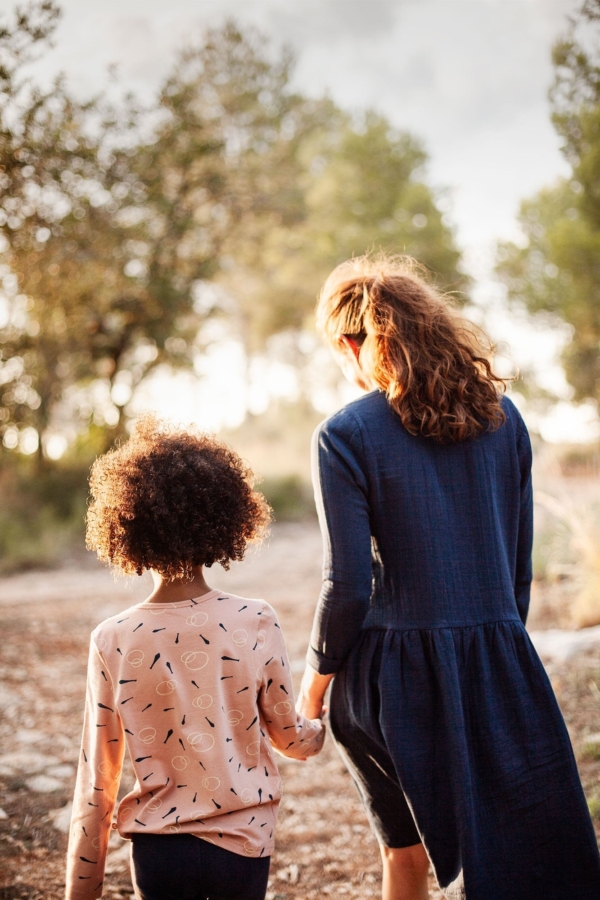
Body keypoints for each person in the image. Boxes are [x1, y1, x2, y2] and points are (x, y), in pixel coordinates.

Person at [296, 254, 600, 900]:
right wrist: (493, 651)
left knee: (403, 854)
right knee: (523, 856)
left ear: (356, 346)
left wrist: (313, 689)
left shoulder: (342, 436)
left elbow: (347, 587)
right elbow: (516, 574)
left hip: (391, 687)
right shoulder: (506, 419)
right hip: (500, 662)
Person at [66, 416, 325, 900]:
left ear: (127, 526)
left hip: (159, 850)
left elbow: (98, 780)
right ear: (224, 520)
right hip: (244, 843)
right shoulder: (255, 620)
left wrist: (81, 890)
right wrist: (318, 726)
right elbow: (289, 739)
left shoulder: (113, 639)